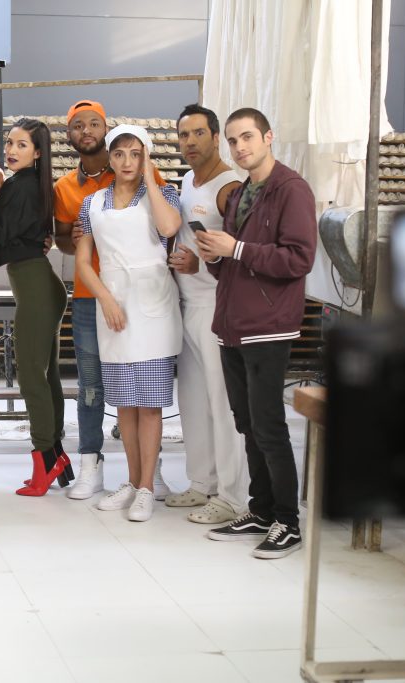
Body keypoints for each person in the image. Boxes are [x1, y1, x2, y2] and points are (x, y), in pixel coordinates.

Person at [199, 108, 317, 559]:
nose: (239, 147)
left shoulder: (292, 189)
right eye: (232, 140)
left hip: (268, 326)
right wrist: (214, 256)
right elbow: (237, 262)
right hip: (233, 324)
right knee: (247, 423)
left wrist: (238, 248)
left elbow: (298, 259)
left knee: (269, 426)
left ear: (269, 136)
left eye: (247, 137)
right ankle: (262, 510)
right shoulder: (243, 192)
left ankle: (288, 522)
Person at [53, 100, 172, 501]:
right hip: (95, 298)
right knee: (96, 387)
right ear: (69, 134)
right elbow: (67, 243)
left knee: (147, 392)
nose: (85, 131)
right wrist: (78, 243)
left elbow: (166, 225)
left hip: (145, 298)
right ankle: (95, 466)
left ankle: (149, 475)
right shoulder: (69, 191)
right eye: (77, 125)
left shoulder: (140, 174)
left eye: (93, 124)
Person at [75, 124, 183, 522]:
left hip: (152, 305)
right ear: (109, 156)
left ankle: (147, 488)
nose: (126, 162)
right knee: (123, 403)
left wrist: (151, 178)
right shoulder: (92, 203)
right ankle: (133, 481)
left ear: (146, 158)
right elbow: (83, 262)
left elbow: (169, 228)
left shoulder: (163, 195)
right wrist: (105, 298)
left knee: (149, 405)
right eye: (119, 153)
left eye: (136, 154)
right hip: (113, 307)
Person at [0, 117, 70, 497]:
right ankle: (56, 455)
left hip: (36, 287)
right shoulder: (28, 184)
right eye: (9, 142)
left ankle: (46, 461)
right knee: (46, 377)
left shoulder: (21, 186)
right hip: (40, 284)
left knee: (31, 378)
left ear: (38, 152)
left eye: (22, 145)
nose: (11, 150)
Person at [165, 103, 248, 525]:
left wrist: (201, 263)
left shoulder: (228, 188)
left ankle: (235, 496)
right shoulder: (187, 182)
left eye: (199, 133)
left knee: (223, 404)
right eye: (184, 135)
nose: (190, 142)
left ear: (216, 138)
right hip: (187, 304)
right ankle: (203, 482)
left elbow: (240, 252)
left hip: (216, 306)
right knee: (194, 401)